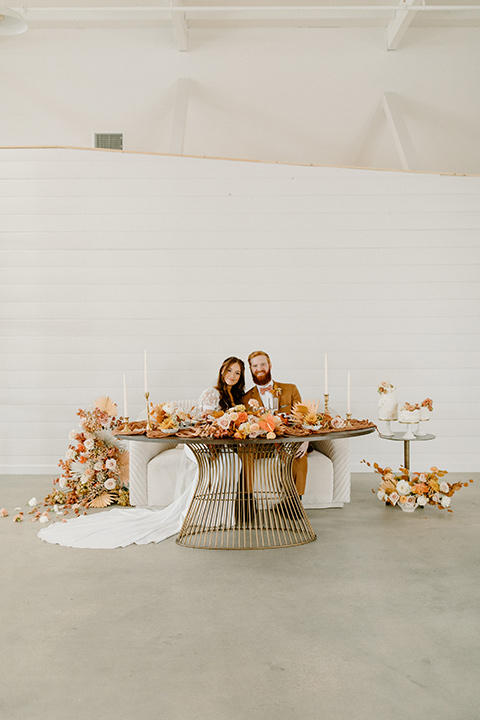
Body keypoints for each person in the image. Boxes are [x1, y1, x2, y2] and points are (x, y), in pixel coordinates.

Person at [38, 357, 245, 549]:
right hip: (201, 443)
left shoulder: (233, 397)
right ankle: (200, 514)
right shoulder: (212, 393)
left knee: (233, 461)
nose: (232, 376)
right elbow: (205, 423)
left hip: (218, 444)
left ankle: (220, 516)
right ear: (222, 371)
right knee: (227, 462)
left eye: (237, 373)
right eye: (230, 370)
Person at [242, 350, 308, 498]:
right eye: (255, 365)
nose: (259, 368)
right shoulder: (245, 398)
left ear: (270, 365)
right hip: (260, 445)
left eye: (263, 364)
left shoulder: (290, 389)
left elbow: (301, 418)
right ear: (251, 369)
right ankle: (247, 500)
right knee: (244, 453)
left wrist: (305, 439)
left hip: (287, 440)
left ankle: (296, 501)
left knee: (299, 454)